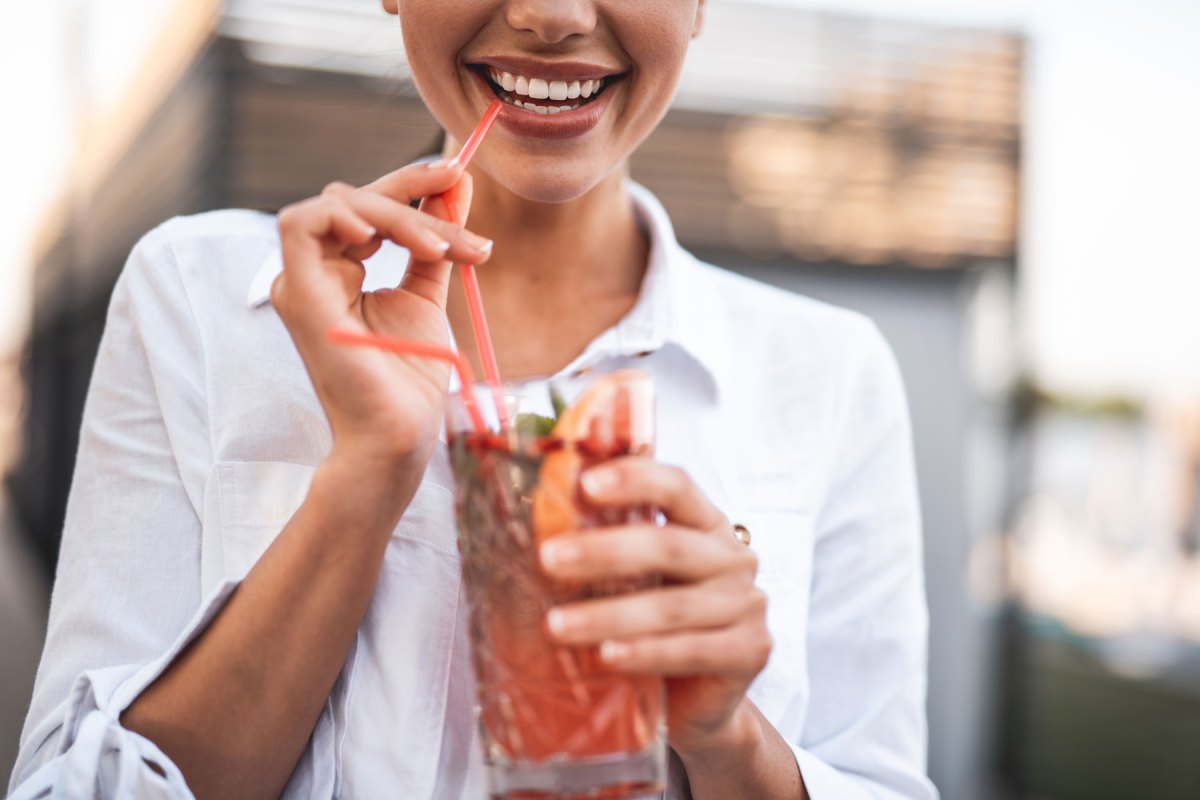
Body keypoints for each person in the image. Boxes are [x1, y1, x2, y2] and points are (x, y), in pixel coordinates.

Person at [10, 1, 937, 798]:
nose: (553, 14)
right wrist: (367, 475)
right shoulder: (200, 297)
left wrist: (727, 738)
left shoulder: (829, 373)